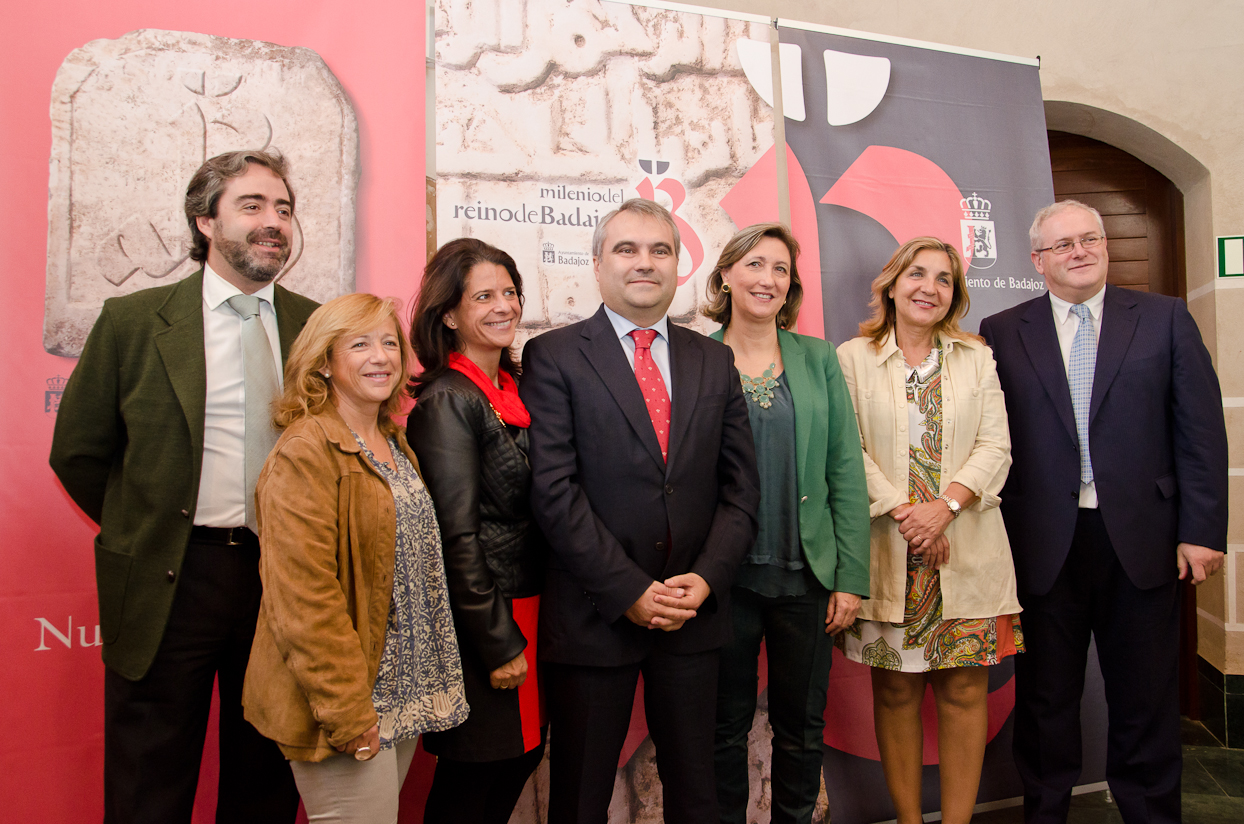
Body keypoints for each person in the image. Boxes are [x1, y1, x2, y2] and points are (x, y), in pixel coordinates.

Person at [50, 149, 315, 823]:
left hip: (280, 583)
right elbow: (79, 453)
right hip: (172, 574)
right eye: (252, 206)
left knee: (266, 775)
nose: (273, 222)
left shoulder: (319, 327)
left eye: (282, 208)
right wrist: (147, 523)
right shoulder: (134, 322)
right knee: (150, 781)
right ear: (205, 221)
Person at [979, 200, 1228, 824]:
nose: (1080, 251)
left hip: (1145, 540)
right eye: (1062, 245)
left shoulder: (1166, 318)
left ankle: (1150, 812)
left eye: (1090, 238)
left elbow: (1200, 433)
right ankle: (1046, 812)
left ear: (1106, 247)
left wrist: (1202, 531)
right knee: (1045, 700)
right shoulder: (1003, 329)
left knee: (1145, 697)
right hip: (1043, 543)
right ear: (1038, 261)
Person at [520, 198, 761, 824]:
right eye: (627, 249)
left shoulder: (715, 360)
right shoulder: (554, 357)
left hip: (693, 614)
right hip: (595, 614)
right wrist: (627, 589)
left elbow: (741, 491)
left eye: (660, 250)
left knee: (697, 793)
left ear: (679, 265)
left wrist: (705, 581)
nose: (644, 263)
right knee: (580, 795)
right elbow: (554, 490)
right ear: (598, 263)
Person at [242, 292, 468, 823]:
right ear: (323, 362)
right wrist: (346, 711)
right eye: (360, 344)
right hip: (347, 702)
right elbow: (304, 601)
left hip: (401, 691)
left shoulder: (392, 439)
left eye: (390, 343)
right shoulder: (305, 451)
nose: (381, 357)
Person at [837, 237, 1022, 824]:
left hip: (965, 548)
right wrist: (905, 513)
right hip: (888, 552)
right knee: (895, 692)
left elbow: (996, 446)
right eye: (917, 275)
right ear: (891, 285)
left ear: (954, 295)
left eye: (943, 280)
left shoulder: (976, 358)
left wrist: (943, 507)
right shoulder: (851, 358)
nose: (929, 288)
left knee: (965, 692)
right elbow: (847, 451)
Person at [703, 223, 870, 824]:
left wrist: (850, 577)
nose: (767, 279)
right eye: (753, 265)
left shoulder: (818, 357)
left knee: (801, 728)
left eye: (779, 268)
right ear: (725, 275)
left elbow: (845, 470)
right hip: (725, 581)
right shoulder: (699, 356)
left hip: (808, 579)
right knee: (723, 728)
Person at [406, 238, 547, 824]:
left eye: (509, 292)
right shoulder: (446, 400)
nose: (502, 306)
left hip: (532, 603)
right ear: (449, 314)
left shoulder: (513, 391)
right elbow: (452, 535)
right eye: (482, 296)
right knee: (477, 774)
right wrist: (497, 640)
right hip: (488, 617)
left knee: (517, 758)